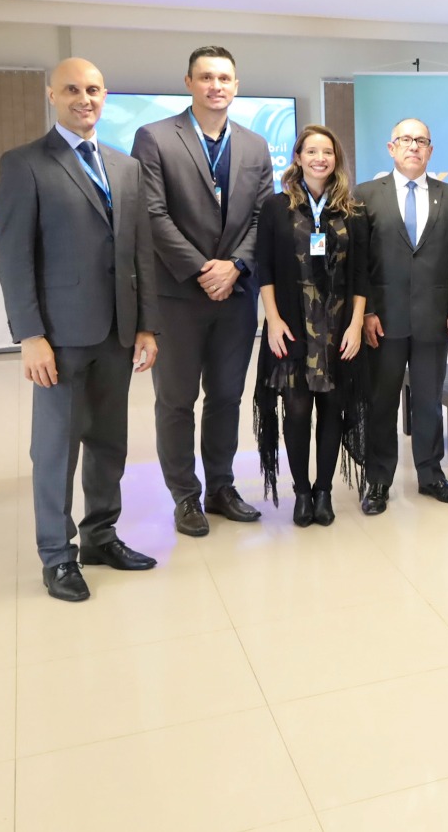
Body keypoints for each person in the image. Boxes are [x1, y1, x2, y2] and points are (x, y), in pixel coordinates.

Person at [0, 58, 160, 601]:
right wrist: (30, 335)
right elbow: (14, 256)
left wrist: (146, 327)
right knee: (56, 450)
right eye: (72, 89)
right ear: (52, 95)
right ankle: (57, 555)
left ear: (105, 96)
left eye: (92, 89)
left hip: (118, 332)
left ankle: (100, 536)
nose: (83, 98)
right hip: (59, 337)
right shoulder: (25, 164)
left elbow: (140, 254)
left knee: (110, 444)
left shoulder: (125, 167)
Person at [132, 46, 272, 537]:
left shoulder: (255, 146)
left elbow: (263, 217)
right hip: (178, 296)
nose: (217, 86)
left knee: (227, 397)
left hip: (235, 295)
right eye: (207, 77)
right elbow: (151, 213)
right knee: (175, 400)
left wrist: (234, 266)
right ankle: (185, 496)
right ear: (189, 82)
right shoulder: (153, 138)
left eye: (225, 78)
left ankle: (221, 486)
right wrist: (200, 270)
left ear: (236, 85)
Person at [354, 118, 448, 514]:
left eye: (421, 141)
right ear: (391, 148)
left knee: (427, 402)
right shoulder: (367, 194)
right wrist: (366, 311)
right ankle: (378, 480)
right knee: (382, 402)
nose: (413, 147)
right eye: (405, 140)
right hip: (382, 322)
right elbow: (358, 263)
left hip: (433, 320)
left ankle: (431, 475)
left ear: (430, 150)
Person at [253, 126, 371, 527]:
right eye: (312, 151)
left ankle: (324, 491)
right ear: (298, 157)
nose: (320, 158)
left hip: (339, 328)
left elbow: (360, 277)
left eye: (328, 151)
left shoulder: (351, 211)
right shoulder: (276, 207)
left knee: (334, 410)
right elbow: (264, 268)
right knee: (298, 411)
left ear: (336, 159)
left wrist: (356, 325)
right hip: (293, 325)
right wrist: (271, 320)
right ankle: (301, 491)